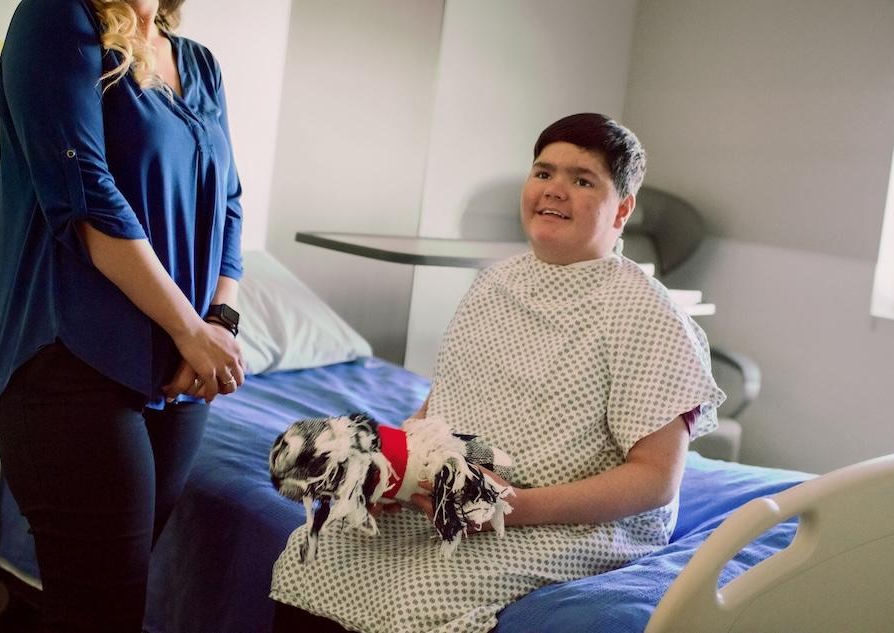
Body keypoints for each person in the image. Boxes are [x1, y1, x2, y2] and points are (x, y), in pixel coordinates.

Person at [269, 113, 726, 633]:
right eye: (543, 172)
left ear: (622, 209)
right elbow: (440, 405)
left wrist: (515, 506)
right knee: (320, 550)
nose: (555, 190)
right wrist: (391, 477)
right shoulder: (494, 284)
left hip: (576, 523)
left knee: (417, 593)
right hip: (457, 492)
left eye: (582, 180)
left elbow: (656, 479)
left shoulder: (646, 314)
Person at [0, 0, 245, 630]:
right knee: (102, 609)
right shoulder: (56, 20)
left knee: (108, 604)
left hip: (175, 378)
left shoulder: (199, 65)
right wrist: (191, 330)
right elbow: (85, 192)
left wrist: (219, 325)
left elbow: (230, 201)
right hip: (72, 361)